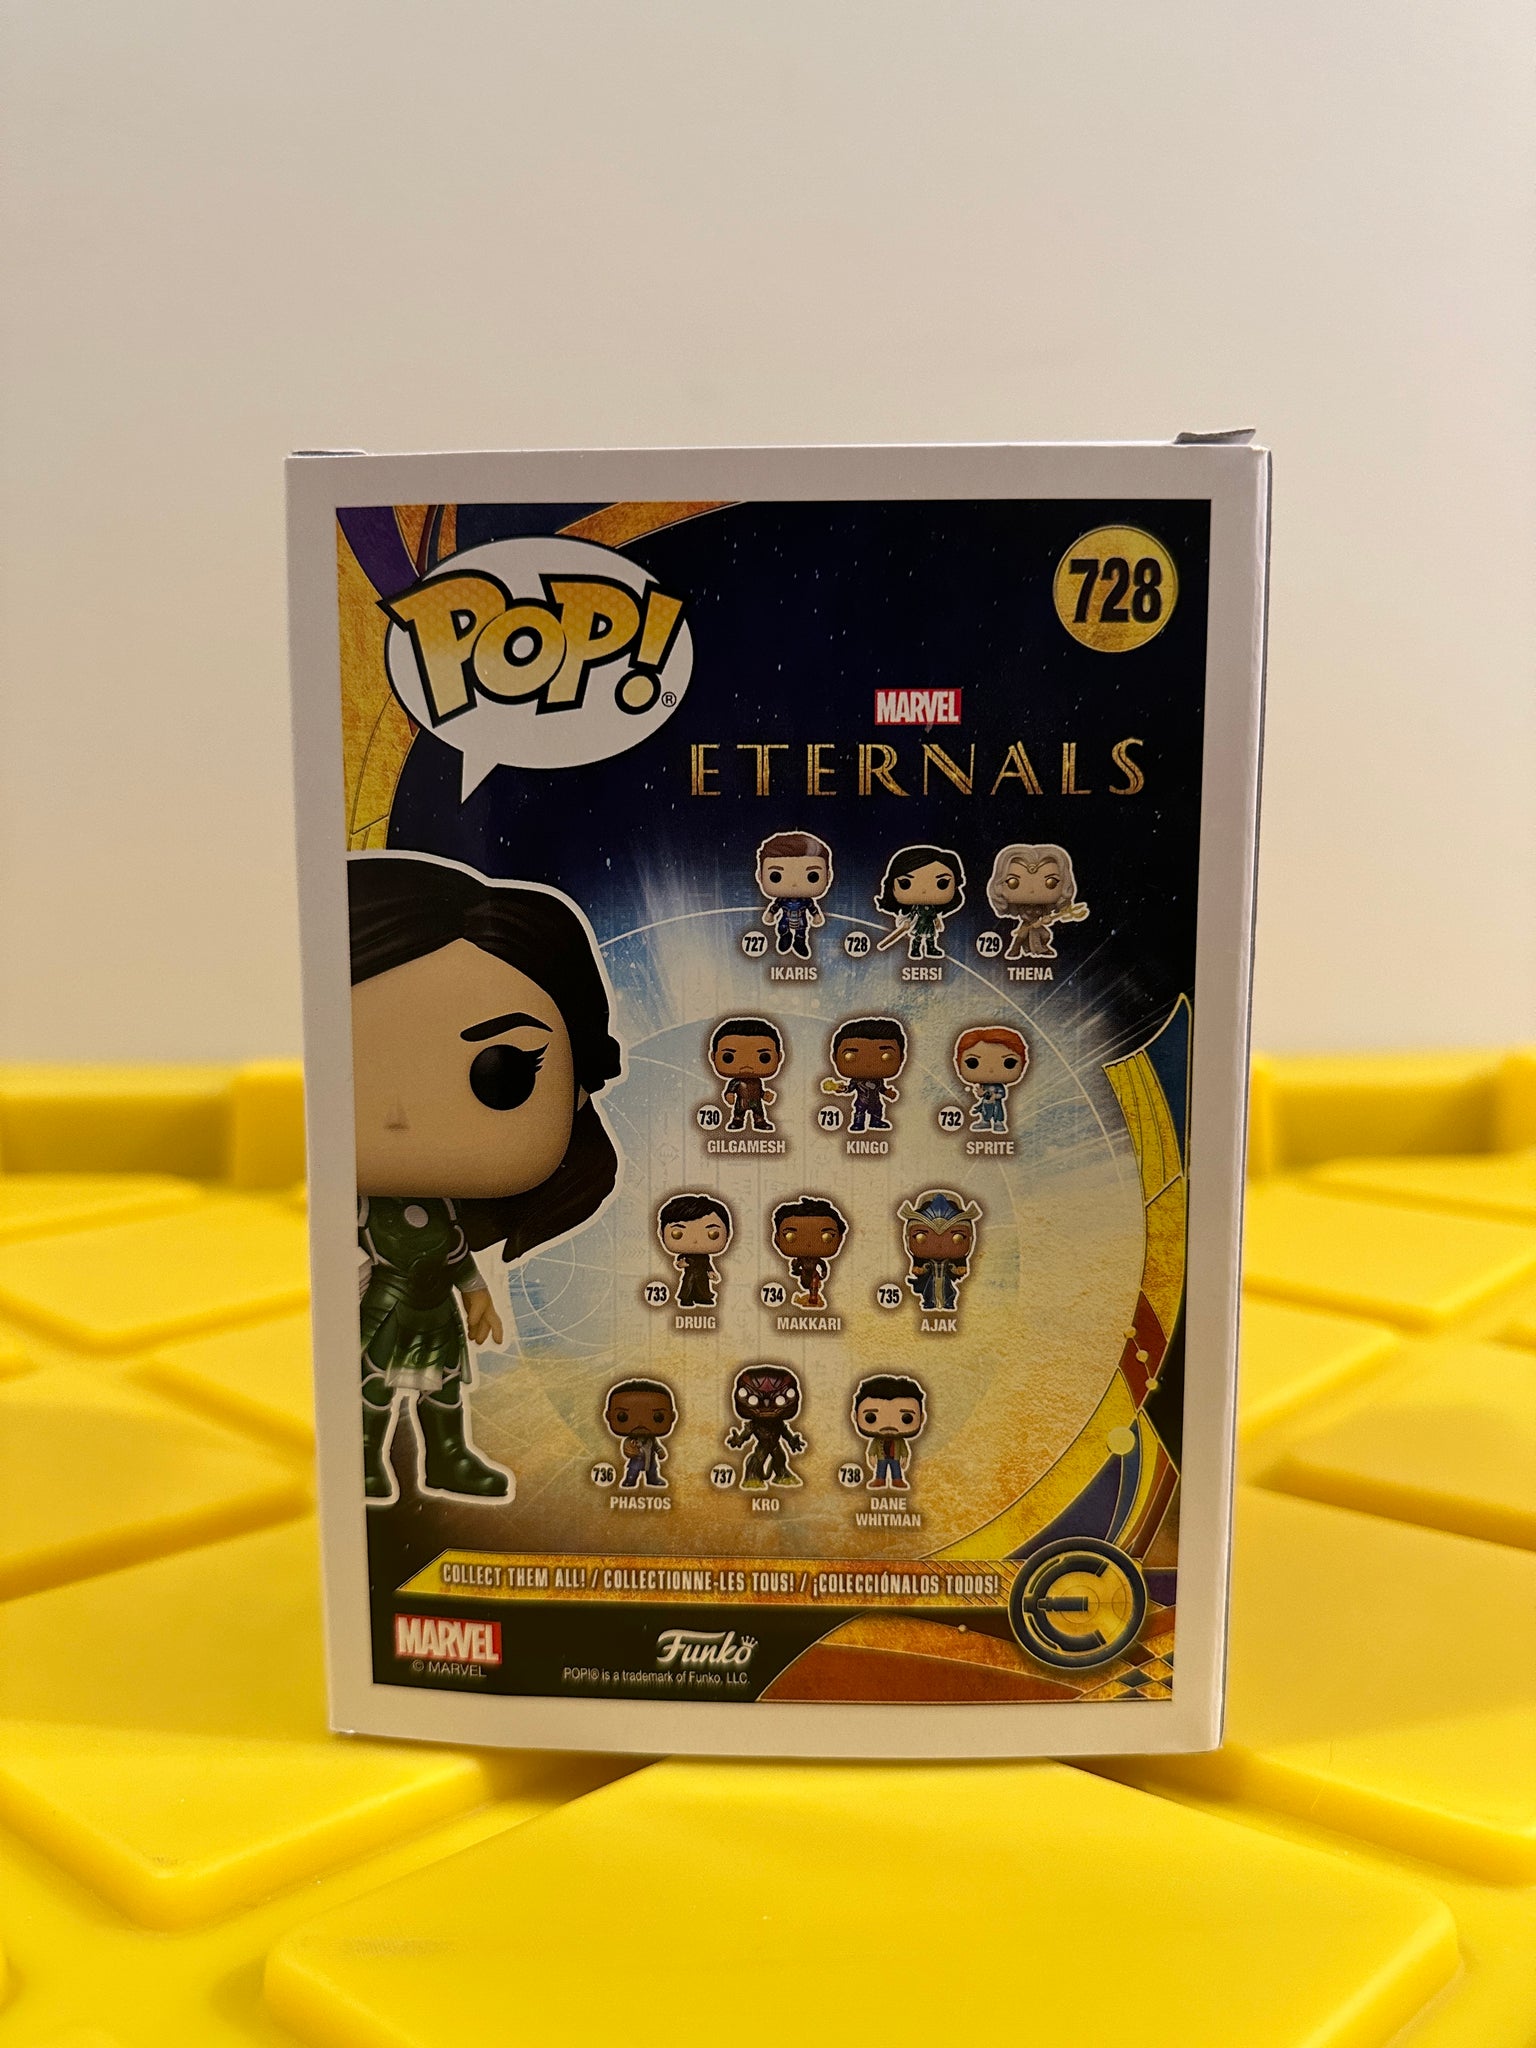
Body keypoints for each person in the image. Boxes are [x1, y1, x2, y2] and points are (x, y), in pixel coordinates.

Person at [350, 852, 622, 1505]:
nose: (397, 1115)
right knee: (371, 1385)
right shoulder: (356, 1215)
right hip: (382, 1305)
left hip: (433, 1308)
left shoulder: (445, 1213)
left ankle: (448, 1457)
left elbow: (453, 1254)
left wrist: (478, 1297)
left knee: (445, 1385)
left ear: (579, 1090)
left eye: (501, 1073)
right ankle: (361, 1458)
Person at [985, 843, 1088, 959]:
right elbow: (1024, 915)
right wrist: (1032, 922)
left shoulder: (1043, 907)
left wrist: (1046, 919)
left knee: (1046, 935)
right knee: (1021, 935)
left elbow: (1046, 916)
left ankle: (1043, 948)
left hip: (1037, 925)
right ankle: (1015, 949)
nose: (1032, 890)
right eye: (1013, 882)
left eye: (1051, 882)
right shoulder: (1022, 907)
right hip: (1027, 924)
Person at [874, 845, 966, 960]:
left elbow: (935, 915)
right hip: (920, 924)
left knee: (930, 937)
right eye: (905, 883)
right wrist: (907, 921)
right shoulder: (915, 908)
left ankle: (931, 949)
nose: (924, 890)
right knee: (917, 937)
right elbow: (911, 915)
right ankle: (915, 949)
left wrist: (937, 921)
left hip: (929, 924)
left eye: (942, 883)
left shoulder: (932, 908)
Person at [756, 830, 834, 957]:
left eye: (812, 876)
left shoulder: (806, 901)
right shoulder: (782, 900)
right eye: (776, 876)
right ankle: (785, 937)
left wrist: (816, 916)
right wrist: (770, 914)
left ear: (828, 876)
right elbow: (775, 907)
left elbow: (812, 908)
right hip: (785, 919)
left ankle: (799, 943)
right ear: (760, 876)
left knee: (801, 931)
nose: (794, 883)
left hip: (801, 919)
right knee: (782, 927)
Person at [820, 1017, 907, 1131]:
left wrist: (888, 1093)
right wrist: (840, 1088)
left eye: (886, 1056)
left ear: (901, 1058)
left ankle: (876, 1121)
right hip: (862, 1101)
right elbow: (849, 1089)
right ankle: (858, 1123)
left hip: (875, 1100)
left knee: (878, 1109)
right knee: (860, 1111)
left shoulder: (878, 1081)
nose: (869, 1064)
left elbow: (881, 1089)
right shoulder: (856, 1081)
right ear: (835, 1058)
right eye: (851, 1057)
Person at [851, 1374, 927, 1490]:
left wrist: (905, 1457)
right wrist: (871, 1456)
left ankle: (897, 1481)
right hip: (881, 1458)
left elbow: (904, 1449)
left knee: (896, 1470)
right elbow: (872, 1448)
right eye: (871, 1417)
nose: (888, 1425)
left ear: (921, 1418)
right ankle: (879, 1480)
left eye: (906, 1418)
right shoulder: (876, 1440)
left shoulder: (900, 1441)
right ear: (855, 1416)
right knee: (880, 1470)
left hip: (895, 1458)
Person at [656, 1193, 733, 1307]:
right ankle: (686, 1300)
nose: (695, 1240)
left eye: (713, 1234)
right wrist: (681, 1264)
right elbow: (679, 1263)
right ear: (661, 1233)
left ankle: (703, 1299)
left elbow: (707, 1265)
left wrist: (711, 1272)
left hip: (702, 1277)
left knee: (703, 1288)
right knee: (688, 1287)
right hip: (690, 1276)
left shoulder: (705, 1257)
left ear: (728, 1234)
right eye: (677, 1234)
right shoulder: (685, 1255)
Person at [709, 1017, 784, 1131]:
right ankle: (737, 1121)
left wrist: (764, 1095)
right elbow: (730, 1090)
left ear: (779, 1057)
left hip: (756, 1101)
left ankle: (759, 1121)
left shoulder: (757, 1081)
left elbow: (759, 1091)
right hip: (741, 1101)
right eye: (728, 1057)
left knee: (759, 1113)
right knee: (739, 1112)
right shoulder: (736, 1082)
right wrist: (729, 1095)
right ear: (713, 1057)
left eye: (764, 1057)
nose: (747, 1066)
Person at [604, 1378, 677, 1491]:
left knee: (652, 1470)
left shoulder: (652, 1440)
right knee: (633, 1471)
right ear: (609, 1416)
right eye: (623, 1416)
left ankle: (652, 1479)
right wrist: (628, 1450)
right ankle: (630, 1480)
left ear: (672, 1417)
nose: (640, 1423)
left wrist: (660, 1451)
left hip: (650, 1460)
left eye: (658, 1417)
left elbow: (656, 1446)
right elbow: (627, 1446)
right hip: (636, 1460)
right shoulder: (631, 1441)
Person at [953, 1025, 1030, 1133]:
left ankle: (998, 1123)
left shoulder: (999, 1086)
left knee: (998, 1112)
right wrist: (980, 1093)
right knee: (985, 1112)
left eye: (1009, 1063)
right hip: (986, 1103)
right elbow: (982, 1094)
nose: (990, 1070)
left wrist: (995, 1096)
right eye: (972, 1063)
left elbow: (1002, 1094)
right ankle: (985, 1122)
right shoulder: (984, 1085)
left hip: (996, 1103)